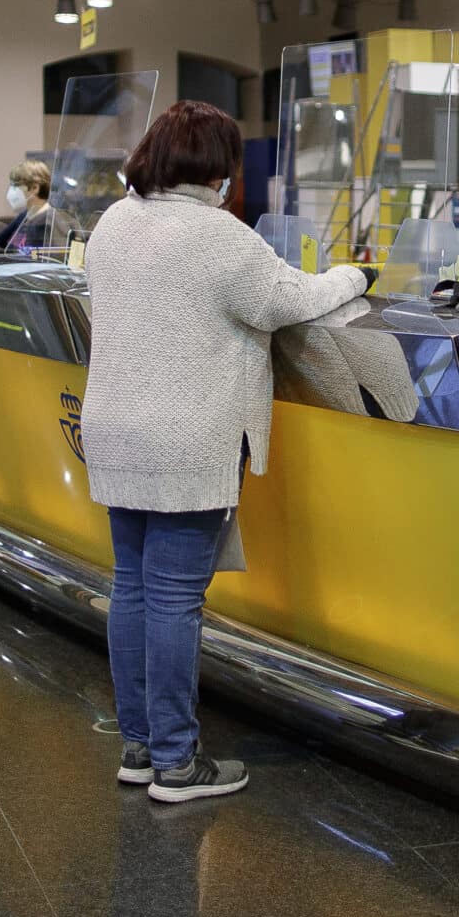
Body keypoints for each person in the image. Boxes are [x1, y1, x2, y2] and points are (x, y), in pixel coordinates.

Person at [81, 100, 366, 803]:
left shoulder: (113, 223)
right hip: (184, 437)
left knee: (134, 588)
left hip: (114, 430)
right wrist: (352, 277)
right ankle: (179, 763)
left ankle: (141, 748)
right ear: (215, 168)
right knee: (176, 597)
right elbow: (288, 299)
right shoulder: (218, 236)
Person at [0, 159, 71, 252]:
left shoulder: (48, 222)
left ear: (35, 187)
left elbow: (43, 261)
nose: (11, 191)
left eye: (16, 185)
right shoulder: (25, 216)